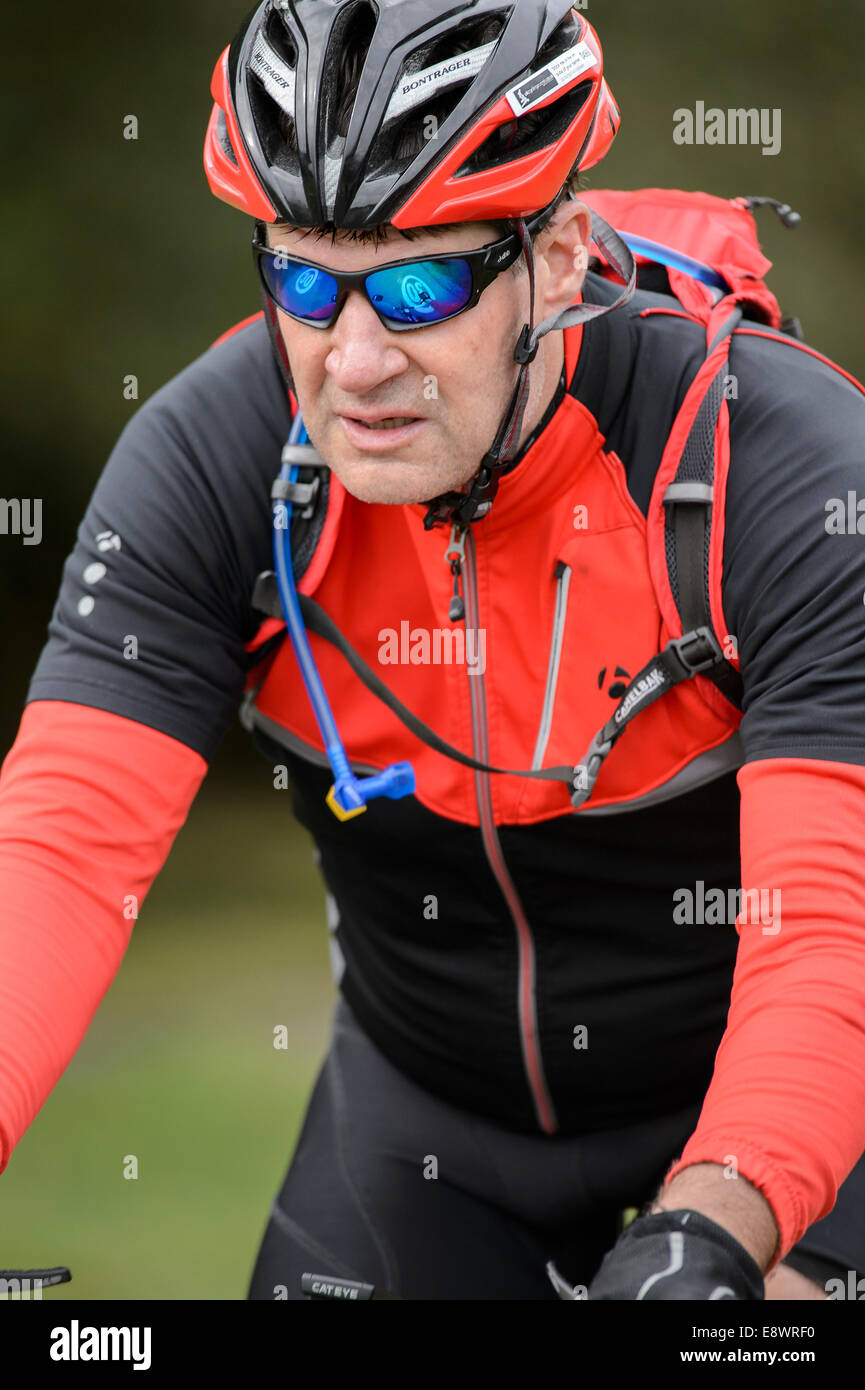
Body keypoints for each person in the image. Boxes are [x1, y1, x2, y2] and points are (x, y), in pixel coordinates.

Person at [2, 0, 865, 1301]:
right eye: (303, 278)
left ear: (561, 257)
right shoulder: (216, 460)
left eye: (416, 285)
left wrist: (709, 1230)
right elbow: (60, 851)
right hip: (428, 1123)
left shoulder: (778, 468)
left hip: (794, 1116)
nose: (351, 358)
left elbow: (827, 926)